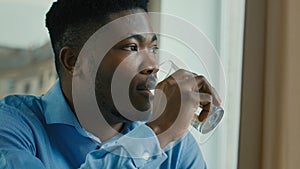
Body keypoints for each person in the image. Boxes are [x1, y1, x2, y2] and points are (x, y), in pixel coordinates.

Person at [0, 0, 221, 168]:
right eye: (131, 47)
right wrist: (156, 133)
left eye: (153, 48)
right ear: (74, 61)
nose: (152, 64)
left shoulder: (175, 146)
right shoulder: (12, 126)